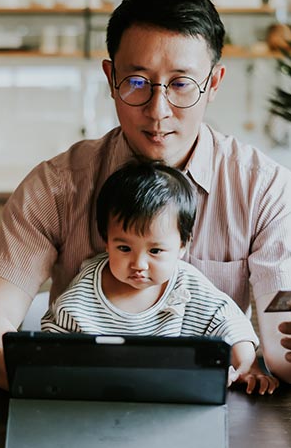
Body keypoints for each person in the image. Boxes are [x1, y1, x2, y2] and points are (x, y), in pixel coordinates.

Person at [0, 0, 291, 390]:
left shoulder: (267, 191)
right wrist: (60, 386)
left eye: (182, 84)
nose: (158, 111)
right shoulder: (56, 186)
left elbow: (284, 354)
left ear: (214, 83)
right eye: (136, 82)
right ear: (111, 78)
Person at [41, 160, 278, 394]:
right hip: (102, 398)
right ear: (106, 240)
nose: (139, 264)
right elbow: (50, 346)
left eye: (155, 251)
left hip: (177, 398)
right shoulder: (83, 294)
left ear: (183, 245)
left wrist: (248, 365)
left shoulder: (187, 285)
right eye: (124, 248)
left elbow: (229, 321)